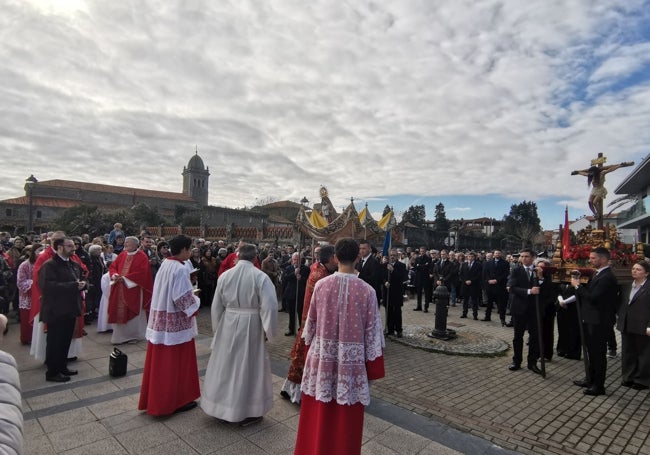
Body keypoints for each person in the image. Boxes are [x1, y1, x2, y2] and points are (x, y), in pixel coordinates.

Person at [294, 238, 385, 454]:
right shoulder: (368, 291)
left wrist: (307, 355)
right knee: (346, 421)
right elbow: (373, 335)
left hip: (321, 358)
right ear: (357, 257)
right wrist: (373, 369)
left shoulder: (321, 285)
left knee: (319, 413)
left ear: (335, 257)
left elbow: (310, 324)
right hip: (351, 363)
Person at [200, 243, 278, 424]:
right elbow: (270, 306)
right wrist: (269, 331)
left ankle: (219, 406)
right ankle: (247, 409)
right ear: (255, 257)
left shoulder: (225, 275)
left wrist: (217, 328)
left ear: (237, 256)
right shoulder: (261, 277)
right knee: (247, 366)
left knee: (225, 364)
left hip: (228, 321)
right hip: (251, 324)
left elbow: (216, 305)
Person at [138, 235, 201, 415]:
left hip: (161, 321)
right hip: (176, 324)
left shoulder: (166, 263)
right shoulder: (180, 269)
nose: (190, 252)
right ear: (184, 250)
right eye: (190, 248)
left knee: (160, 364)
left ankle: (158, 400)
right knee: (175, 365)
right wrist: (195, 301)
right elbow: (182, 299)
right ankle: (175, 401)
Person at [280, 245, 337, 403]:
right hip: (313, 323)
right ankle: (296, 393)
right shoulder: (320, 275)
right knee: (305, 359)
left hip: (311, 321)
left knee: (303, 358)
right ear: (331, 258)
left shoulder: (320, 269)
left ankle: (289, 388)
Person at [571, 247, 620, 396]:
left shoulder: (607, 277)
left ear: (603, 259)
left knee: (598, 354)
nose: (590, 260)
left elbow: (593, 298)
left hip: (600, 322)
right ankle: (590, 379)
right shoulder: (598, 274)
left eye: (593, 258)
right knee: (591, 352)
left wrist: (578, 286)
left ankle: (599, 386)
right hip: (592, 319)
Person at [38, 237, 86, 382]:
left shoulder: (73, 264)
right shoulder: (50, 265)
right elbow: (47, 286)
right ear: (59, 247)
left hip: (70, 308)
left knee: (65, 340)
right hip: (56, 309)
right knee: (55, 341)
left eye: (73, 246)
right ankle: (52, 372)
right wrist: (72, 286)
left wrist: (84, 284)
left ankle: (62, 366)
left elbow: (82, 277)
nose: (73, 248)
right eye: (69, 246)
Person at [108, 236, 153, 344]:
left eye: (128, 243)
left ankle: (134, 336)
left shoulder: (142, 256)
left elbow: (143, 273)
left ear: (135, 244)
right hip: (119, 287)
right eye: (125, 242)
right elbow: (113, 266)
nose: (125, 244)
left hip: (134, 289)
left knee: (134, 313)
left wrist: (125, 278)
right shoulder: (122, 254)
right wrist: (115, 275)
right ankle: (120, 337)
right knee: (119, 311)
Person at [507, 249, 543, 375]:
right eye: (521, 256)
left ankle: (532, 362)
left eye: (526, 256)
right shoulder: (516, 270)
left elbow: (545, 288)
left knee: (534, 337)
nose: (523, 258)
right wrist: (528, 291)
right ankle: (517, 361)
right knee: (518, 336)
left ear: (533, 257)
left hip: (534, 309)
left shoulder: (538, 270)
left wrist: (541, 278)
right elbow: (511, 287)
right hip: (519, 308)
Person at [618, 261, 650, 390]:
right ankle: (628, 377)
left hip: (643, 325)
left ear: (647, 273)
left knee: (644, 353)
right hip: (626, 323)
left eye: (638, 269)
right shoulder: (626, 286)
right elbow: (621, 303)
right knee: (627, 352)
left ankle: (642, 380)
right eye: (633, 268)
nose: (634, 271)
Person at [16, 244, 42, 344]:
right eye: (39, 251)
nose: (41, 253)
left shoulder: (44, 264)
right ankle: (27, 338)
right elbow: (20, 282)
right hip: (28, 297)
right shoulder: (25, 265)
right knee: (27, 319)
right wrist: (34, 283)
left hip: (40, 296)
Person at [281, 252, 310, 336]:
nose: (295, 261)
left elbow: (307, 281)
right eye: (294, 259)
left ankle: (301, 329)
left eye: (297, 260)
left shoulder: (306, 269)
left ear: (301, 260)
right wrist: (294, 274)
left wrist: (301, 278)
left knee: (301, 312)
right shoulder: (288, 268)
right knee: (291, 313)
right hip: (290, 293)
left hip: (300, 293)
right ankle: (291, 329)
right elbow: (285, 278)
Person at [382, 248, 408, 337]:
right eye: (391, 255)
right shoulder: (384, 265)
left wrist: (393, 270)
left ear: (397, 256)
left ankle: (399, 329)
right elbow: (381, 277)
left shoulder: (401, 265)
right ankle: (390, 329)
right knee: (388, 311)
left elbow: (402, 277)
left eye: (394, 255)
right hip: (387, 291)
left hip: (397, 291)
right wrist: (385, 282)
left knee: (397, 311)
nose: (392, 257)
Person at [481, 250, 510, 325]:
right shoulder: (488, 263)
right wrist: (488, 280)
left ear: (501, 254)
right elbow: (485, 273)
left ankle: (502, 319)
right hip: (490, 286)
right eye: (496, 253)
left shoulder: (505, 263)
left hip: (500, 286)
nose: (497, 254)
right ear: (494, 254)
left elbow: (506, 274)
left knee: (501, 304)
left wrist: (497, 280)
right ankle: (487, 317)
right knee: (489, 303)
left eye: (499, 253)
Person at [356, 240, 383, 305]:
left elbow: (374, 280)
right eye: (360, 248)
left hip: (371, 296)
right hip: (361, 295)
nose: (361, 251)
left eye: (364, 248)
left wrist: (358, 274)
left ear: (369, 249)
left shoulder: (374, 262)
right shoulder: (359, 261)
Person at [460, 252, 482, 320]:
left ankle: (475, 315)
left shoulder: (478, 265)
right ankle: (464, 313)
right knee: (465, 300)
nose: (470, 258)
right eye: (469, 256)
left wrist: (471, 281)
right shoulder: (464, 264)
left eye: (472, 256)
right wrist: (465, 280)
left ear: (474, 257)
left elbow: (479, 275)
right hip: (465, 284)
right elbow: (461, 274)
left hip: (474, 285)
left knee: (474, 301)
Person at [412, 246, 432, 312]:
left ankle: (426, 307)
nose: (422, 252)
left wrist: (419, 266)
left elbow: (427, 267)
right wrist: (422, 266)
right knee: (419, 293)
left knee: (426, 293)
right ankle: (419, 306)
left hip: (425, 278)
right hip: (419, 278)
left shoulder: (429, 258)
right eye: (421, 251)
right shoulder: (418, 258)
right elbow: (415, 266)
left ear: (425, 251)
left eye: (423, 251)